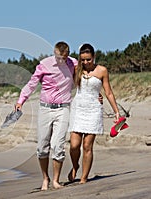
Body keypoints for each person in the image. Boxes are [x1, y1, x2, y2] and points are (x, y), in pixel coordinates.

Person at [15, 41, 78, 190]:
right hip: (45, 109)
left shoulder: (73, 63)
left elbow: (86, 73)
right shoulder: (45, 64)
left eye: (64, 57)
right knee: (42, 146)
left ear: (68, 54)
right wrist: (21, 101)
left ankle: (56, 180)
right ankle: (45, 178)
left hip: (63, 109)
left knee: (58, 145)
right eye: (59, 57)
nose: (62, 61)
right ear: (54, 53)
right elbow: (32, 84)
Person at [68, 43, 120, 184]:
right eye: (83, 59)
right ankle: (75, 166)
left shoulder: (102, 70)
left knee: (87, 146)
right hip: (78, 108)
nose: (85, 62)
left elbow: (108, 92)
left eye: (88, 59)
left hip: (94, 110)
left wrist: (116, 112)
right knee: (73, 145)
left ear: (94, 57)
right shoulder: (76, 69)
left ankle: (84, 178)